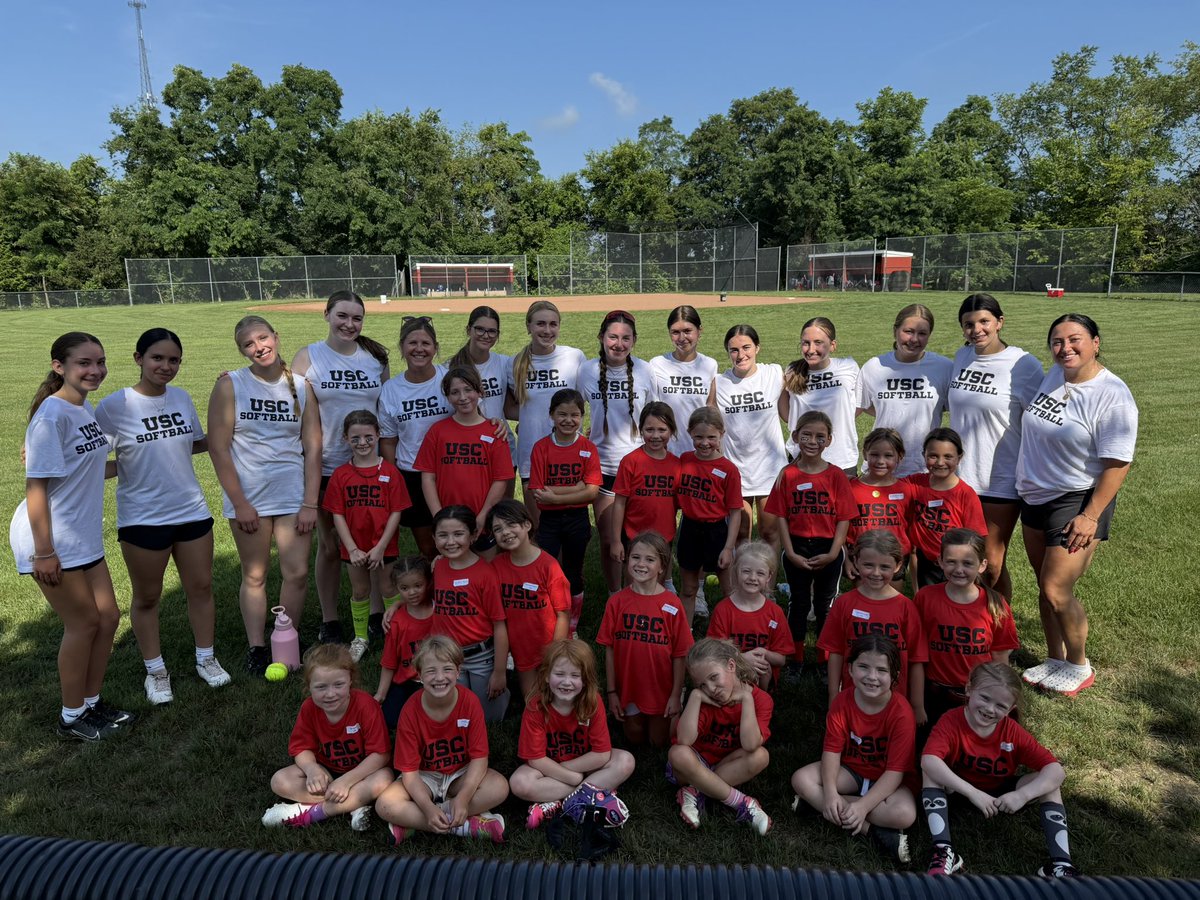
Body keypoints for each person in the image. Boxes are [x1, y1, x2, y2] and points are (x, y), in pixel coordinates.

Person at [94, 328, 230, 705]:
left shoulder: (182, 398)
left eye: (173, 360)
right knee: (148, 598)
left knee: (201, 588)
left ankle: (207, 658)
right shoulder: (113, 405)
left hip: (190, 510)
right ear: (138, 359)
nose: (165, 366)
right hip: (142, 518)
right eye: (157, 358)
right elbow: (90, 456)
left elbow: (195, 444)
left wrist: (233, 424)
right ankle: (156, 670)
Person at [11, 332, 134, 740]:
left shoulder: (83, 409)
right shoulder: (52, 415)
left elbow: (86, 470)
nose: (95, 370)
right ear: (58, 366)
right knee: (82, 624)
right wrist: (44, 552)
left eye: (100, 361)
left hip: (80, 535)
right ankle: (71, 717)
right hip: (50, 538)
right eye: (84, 363)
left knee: (109, 618)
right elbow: (36, 489)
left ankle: (91, 703)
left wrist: (146, 460)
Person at [1016, 314, 1137, 697]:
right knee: (1043, 584)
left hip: (1077, 499)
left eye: (1075, 339)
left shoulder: (1112, 394)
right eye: (1057, 341)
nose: (1065, 348)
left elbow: (1117, 463)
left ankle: (1079, 664)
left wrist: (1090, 515)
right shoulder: (1056, 377)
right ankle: (1054, 658)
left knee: (1057, 588)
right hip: (1035, 495)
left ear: (1096, 343)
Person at [208, 316, 321, 676]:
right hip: (250, 498)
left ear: (276, 336)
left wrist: (310, 503)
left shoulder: (302, 386)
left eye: (262, 338)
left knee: (297, 572)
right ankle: (258, 646)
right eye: (248, 344)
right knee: (254, 575)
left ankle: (284, 636)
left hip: (293, 496)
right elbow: (219, 449)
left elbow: (313, 448)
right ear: (241, 350)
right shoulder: (231, 385)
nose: (259, 347)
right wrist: (240, 502)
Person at [291, 291, 390, 647]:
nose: (349, 324)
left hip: (369, 465)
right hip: (328, 465)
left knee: (375, 541)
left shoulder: (375, 358)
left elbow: (386, 411)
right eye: (342, 316)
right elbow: (287, 403)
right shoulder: (308, 357)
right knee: (331, 546)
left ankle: (376, 613)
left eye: (357, 318)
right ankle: (330, 618)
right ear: (327, 314)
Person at [921, 663, 1079, 878]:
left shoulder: (1012, 731)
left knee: (1049, 784)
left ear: (1011, 708)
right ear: (969, 689)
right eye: (985, 698)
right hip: (958, 791)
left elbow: (1056, 771)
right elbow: (929, 760)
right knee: (932, 771)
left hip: (1001, 795)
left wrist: (1021, 795)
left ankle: (1061, 864)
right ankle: (943, 851)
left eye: (1000, 706)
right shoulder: (951, 720)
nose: (989, 709)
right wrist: (973, 793)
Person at [948, 294, 1044, 600]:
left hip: (999, 478)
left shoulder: (1022, 364)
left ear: (999, 322)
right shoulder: (962, 357)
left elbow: (1041, 420)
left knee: (989, 561)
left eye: (984, 321)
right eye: (969, 324)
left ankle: (999, 628)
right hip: (959, 477)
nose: (976, 329)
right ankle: (973, 618)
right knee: (965, 554)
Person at [792, 634, 917, 866]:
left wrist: (863, 805)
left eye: (882, 670)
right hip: (851, 771)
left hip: (888, 781)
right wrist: (830, 792)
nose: (872, 677)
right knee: (801, 778)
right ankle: (870, 831)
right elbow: (831, 752)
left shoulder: (902, 713)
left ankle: (816, 807)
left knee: (905, 815)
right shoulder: (842, 702)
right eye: (863, 667)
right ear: (849, 669)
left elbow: (895, 772)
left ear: (895, 676)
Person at [375, 636, 509, 845]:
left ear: (458, 671)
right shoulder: (410, 711)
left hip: (460, 774)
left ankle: (418, 823)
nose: (439, 678)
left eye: (447, 669)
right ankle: (466, 825)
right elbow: (409, 774)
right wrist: (427, 807)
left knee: (499, 787)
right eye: (431, 671)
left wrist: (464, 797)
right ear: (419, 675)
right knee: (385, 804)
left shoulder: (470, 702)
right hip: (424, 776)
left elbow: (479, 759)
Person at [765, 411, 856, 684]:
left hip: (829, 548)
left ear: (829, 440)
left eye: (819, 436)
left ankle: (824, 660)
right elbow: (780, 516)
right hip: (797, 546)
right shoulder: (788, 474)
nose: (812, 441)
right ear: (795, 437)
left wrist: (833, 552)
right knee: (799, 603)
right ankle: (796, 658)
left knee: (826, 605)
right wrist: (790, 552)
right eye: (806, 435)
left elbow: (844, 518)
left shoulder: (836, 475)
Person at [261, 643, 392, 830]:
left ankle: (309, 813)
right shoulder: (309, 708)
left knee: (384, 779)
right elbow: (301, 748)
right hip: (327, 773)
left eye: (338, 685)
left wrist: (347, 781)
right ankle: (354, 804)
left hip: (364, 773)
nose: (330, 694)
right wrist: (312, 769)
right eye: (321, 687)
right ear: (309, 687)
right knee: (279, 780)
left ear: (350, 681)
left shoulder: (366, 705)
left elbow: (381, 755)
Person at [510, 639, 635, 829]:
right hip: (549, 768)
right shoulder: (536, 706)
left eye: (575, 675)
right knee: (519, 783)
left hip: (583, 765)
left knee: (626, 761)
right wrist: (574, 777)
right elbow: (536, 759)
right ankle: (589, 795)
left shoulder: (592, 702)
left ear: (585, 680)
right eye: (559, 674)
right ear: (545, 676)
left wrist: (571, 772)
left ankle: (558, 803)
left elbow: (601, 754)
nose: (566, 682)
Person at [577, 310, 658, 592]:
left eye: (626, 338)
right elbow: (573, 411)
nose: (618, 344)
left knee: (640, 539)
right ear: (601, 338)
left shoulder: (646, 370)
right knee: (610, 538)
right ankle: (615, 596)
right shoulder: (586, 371)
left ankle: (641, 592)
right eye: (613, 337)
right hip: (604, 468)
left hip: (639, 466)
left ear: (634, 340)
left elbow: (656, 416)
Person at [323, 410, 411, 662]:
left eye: (368, 437)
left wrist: (382, 546)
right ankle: (360, 637)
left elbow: (396, 511)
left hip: (384, 546)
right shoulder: (341, 475)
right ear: (345, 438)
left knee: (387, 587)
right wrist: (351, 549)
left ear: (378, 435)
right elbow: (337, 514)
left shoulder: (390, 472)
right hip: (355, 547)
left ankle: (397, 634)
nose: (363, 443)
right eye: (356, 438)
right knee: (360, 590)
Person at [912, 529, 1018, 732]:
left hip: (978, 698)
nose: (958, 569)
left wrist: (997, 697)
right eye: (951, 561)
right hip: (933, 695)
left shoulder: (995, 604)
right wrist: (917, 703)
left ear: (982, 565)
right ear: (940, 562)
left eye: (967, 563)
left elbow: (999, 658)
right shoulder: (926, 598)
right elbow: (916, 652)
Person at [667, 638, 774, 835]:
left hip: (727, 765)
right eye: (702, 684)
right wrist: (696, 697)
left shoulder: (761, 700)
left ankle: (695, 791)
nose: (710, 688)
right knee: (678, 754)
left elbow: (750, 745)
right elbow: (684, 741)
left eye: (714, 677)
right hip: (694, 764)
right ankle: (741, 802)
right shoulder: (704, 699)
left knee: (761, 756)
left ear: (731, 665)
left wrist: (747, 700)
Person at [597, 531, 694, 748]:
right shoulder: (617, 602)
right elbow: (609, 649)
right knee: (634, 737)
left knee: (658, 741)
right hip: (629, 686)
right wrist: (612, 692)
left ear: (662, 567)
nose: (641, 564)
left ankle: (680, 709)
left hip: (661, 688)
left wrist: (675, 694)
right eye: (635, 557)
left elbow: (680, 654)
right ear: (627, 559)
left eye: (650, 559)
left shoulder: (672, 604)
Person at [818, 529, 926, 706]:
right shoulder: (844, 603)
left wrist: (917, 704)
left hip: (895, 701)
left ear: (898, 566)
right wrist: (833, 695)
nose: (876, 573)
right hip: (852, 697)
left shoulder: (906, 607)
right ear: (856, 562)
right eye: (868, 565)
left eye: (884, 567)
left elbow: (917, 659)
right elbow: (835, 652)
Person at [527, 388, 601, 633]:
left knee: (573, 570)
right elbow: (539, 494)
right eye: (562, 414)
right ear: (551, 415)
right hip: (549, 520)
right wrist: (576, 488)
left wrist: (556, 494)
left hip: (577, 520)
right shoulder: (541, 448)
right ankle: (547, 616)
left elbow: (592, 493)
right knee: (545, 568)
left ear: (582, 416)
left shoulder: (588, 448)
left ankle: (571, 624)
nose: (568, 420)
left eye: (575, 415)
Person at [414, 366, 514, 546]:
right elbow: (428, 478)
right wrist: (439, 517)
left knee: (486, 568)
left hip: (482, 518)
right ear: (448, 397)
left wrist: (483, 515)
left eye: (468, 390)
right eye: (455, 392)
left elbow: (500, 480)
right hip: (448, 520)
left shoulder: (495, 432)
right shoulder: (438, 431)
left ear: (479, 391)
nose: (462, 397)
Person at [709, 324, 787, 552]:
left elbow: (790, 411)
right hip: (736, 469)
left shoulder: (773, 374)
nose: (740, 355)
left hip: (769, 467)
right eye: (733, 350)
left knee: (769, 531)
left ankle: (768, 587)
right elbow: (711, 424)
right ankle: (742, 586)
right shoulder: (719, 382)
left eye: (746, 347)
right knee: (741, 532)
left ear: (757, 347)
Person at [378, 315, 451, 559]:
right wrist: (394, 479)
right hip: (412, 473)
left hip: (451, 469)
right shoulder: (391, 389)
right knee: (429, 547)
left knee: (459, 537)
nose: (419, 349)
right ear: (402, 347)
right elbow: (388, 440)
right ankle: (434, 593)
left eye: (426, 343)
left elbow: (473, 414)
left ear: (435, 348)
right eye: (412, 343)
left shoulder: (449, 378)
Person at [428, 506, 509, 722]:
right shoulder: (438, 567)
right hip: (447, 655)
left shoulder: (485, 574)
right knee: (456, 713)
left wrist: (499, 672)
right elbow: (420, 598)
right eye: (443, 535)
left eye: (458, 534)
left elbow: (500, 624)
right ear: (434, 538)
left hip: (480, 656)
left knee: (489, 719)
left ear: (473, 536)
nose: (450, 542)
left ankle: (508, 686)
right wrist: (396, 607)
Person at [512, 301, 588, 530]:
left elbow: (583, 400)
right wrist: (527, 420)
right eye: (540, 324)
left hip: (569, 453)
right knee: (540, 529)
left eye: (553, 324)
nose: (547, 330)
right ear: (528, 326)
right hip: (532, 452)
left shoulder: (574, 357)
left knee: (571, 530)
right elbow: (509, 405)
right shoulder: (516, 363)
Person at [858, 305, 953, 478]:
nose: (914, 339)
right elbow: (863, 407)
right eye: (908, 331)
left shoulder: (944, 368)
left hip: (924, 471)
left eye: (922, 333)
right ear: (895, 331)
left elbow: (956, 410)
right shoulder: (874, 366)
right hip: (880, 469)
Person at [488, 500, 571, 698]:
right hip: (521, 651)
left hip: (551, 647)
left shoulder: (548, 567)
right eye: (498, 529)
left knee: (559, 698)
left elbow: (563, 615)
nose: (505, 532)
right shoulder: (496, 566)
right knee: (533, 702)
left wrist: (553, 655)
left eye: (511, 524)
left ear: (527, 525)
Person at [675, 407, 742, 621]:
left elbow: (735, 512)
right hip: (690, 529)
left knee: (729, 590)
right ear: (689, 433)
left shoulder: (728, 469)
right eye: (699, 437)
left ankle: (732, 634)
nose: (705, 442)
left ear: (722, 434)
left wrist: (729, 548)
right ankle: (685, 636)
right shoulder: (684, 460)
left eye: (711, 437)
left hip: (717, 531)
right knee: (688, 588)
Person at [706, 541, 794, 690]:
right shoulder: (723, 610)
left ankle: (761, 703)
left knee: (763, 667)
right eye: (746, 571)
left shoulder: (775, 612)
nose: (753, 578)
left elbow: (781, 659)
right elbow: (713, 652)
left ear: (769, 577)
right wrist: (741, 659)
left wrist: (764, 653)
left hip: (761, 674)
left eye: (760, 573)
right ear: (736, 572)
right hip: (730, 669)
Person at [907, 428, 987, 588]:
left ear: (959, 457)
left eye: (948, 456)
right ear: (924, 455)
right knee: (930, 606)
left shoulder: (966, 494)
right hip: (928, 562)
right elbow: (887, 487)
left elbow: (977, 537)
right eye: (933, 456)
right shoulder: (915, 483)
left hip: (956, 564)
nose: (940, 462)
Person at [611, 401, 680, 582]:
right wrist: (616, 540)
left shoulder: (677, 464)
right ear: (640, 430)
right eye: (649, 430)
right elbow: (619, 502)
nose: (655, 435)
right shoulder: (630, 461)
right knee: (633, 581)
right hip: (634, 534)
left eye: (662, 430)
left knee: (657, 583)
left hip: (664, 535)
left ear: (671, 430)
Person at [782, 317, 861, 474]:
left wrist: (841, 418)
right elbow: (786, 412)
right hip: (802, 457)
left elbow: (859, 404)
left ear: (833, 345)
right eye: (806, 343)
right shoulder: (792, 370)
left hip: (841, 458)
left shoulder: (848, 366)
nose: (811, 349)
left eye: (818, 342)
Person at [845, 428, 912, 590]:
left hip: (894, 557)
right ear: (865, 454)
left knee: (892, 606)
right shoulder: (851, 488)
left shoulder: (906, 490)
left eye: (888, 456)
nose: (881, 461)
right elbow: (841, 526)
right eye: (874, 455)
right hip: (862, 557)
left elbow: (909, 524)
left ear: (900, 457)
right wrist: (846, 559)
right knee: (864, 605)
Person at [650, 305, 718, 457]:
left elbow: (710, 407)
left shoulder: (710, 365)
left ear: (699, 331)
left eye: (687, 331)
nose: (681, 338)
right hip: (666, 452)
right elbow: (651, 409)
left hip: (699, 451)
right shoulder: (657, 364)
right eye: (675, 332)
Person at [375, 556, 435, 729]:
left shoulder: (440, 610)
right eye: (405, 588)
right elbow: (389, 662)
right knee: (390, 720)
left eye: (418, 585)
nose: (412, 592)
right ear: (397, 589)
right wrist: (380, 694)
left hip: (436, 677)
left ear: (428, 582)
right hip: (407, 681)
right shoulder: (397, 621)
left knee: (427, 719)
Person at [447, 305, 516, 452]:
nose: (486, 335)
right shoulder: (449, 368)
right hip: (468, 449)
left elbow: (513, 407)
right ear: (468, 330)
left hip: (501, 443)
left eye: (492, 331)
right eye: (480, 329)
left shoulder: (505, 363)